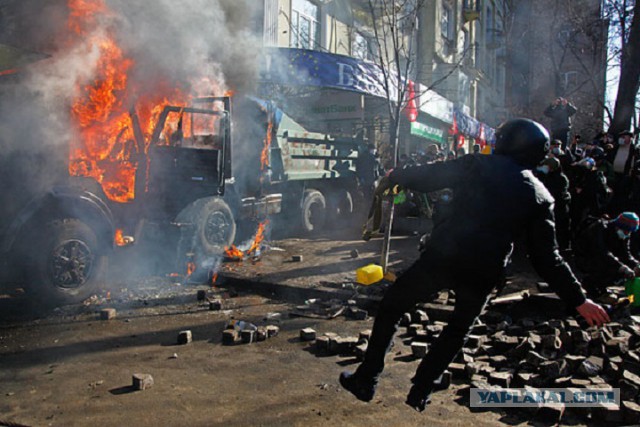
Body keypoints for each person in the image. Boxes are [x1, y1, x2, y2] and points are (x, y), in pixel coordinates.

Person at [339, 118, 609, 412]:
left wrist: (396, 176)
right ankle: (422, 389)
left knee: (392, 306)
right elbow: (547, 259)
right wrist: (579, 300)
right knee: (457, 328)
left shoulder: (477, 165)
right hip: (484, 271)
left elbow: (431, 175)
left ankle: (367, 379)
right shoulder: (541, 196)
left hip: (444, 256)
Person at [573, 212, 640, 299]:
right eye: (626, 231)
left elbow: (625, 254)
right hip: (586, 258)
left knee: (624, 271)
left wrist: (635, 265)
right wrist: (622, 267)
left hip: (606, 258)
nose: (627, 234)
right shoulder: (599, 228)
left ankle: (602, 287)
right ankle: (591, 285)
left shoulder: (623, 234)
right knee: (614, 269)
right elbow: (601, 252)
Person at [536, 157, 572, 252]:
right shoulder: (547, 176)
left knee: (558, 228)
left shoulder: (561, 179)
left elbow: (555, 193)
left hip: (558, 208)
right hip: (552, 207)